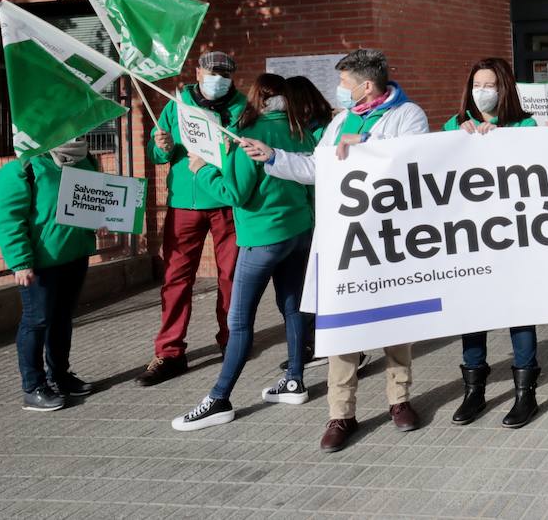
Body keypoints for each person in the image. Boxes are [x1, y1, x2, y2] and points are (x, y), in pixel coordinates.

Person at [239, 49, 427, 453]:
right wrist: (273, 155)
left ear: (367, 85)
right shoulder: (341, 120)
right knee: (343, 324)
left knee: (395, 323)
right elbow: (316, 166)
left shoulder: (408, 115)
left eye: (344, 83)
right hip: (344, 239)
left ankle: (399, 401)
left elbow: (413, 162)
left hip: (390, 238)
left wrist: (366, 145)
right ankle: (341, 413)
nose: (339, 91)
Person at [171, 74, 318, 430]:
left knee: (239, 322)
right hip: (299, 231)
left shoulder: (248, 134)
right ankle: (294, 380)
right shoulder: (301, 130)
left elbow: (235, 193)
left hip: (262, 237)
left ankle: (219, 398)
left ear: (256, 98)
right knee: (293, 307)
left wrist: (202, 169)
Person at [137, 50, 248, 387]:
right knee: (175, 278)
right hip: (184, 203)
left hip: (226, 200)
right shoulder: (177, 105)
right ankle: (169, 352)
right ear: (198, 72)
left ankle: (232, 341)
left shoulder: (242, 107)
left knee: (231, 276)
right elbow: (160, 156)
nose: (219, 78)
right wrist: (161, 144)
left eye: (226, 73)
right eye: (213, 71)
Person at [443, 57, 542, 429]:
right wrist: (459, 139)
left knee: (519, 312)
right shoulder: (455, 126)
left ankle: (525, 392)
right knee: (473, 312)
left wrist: (500, 137)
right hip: (471, 239)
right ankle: (474, 390)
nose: (482, 92)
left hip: (514, 238)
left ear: (504, 89)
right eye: (476, 85)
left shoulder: (525, 126)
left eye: (490, 86)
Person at [0, 138, 98, 411]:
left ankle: (60, 376)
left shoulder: (86, 160)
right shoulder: (23, 168)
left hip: (75, 255)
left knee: (62, 318)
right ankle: (33, 387)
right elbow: (8, 219)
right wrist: (20, 262)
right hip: (41, 263)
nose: (76, 133)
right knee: (37, 320)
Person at [276, 76, 335, 373]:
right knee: (305, 289)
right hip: (309, 217)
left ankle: (334, 345)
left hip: (324, 218)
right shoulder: (298, 131)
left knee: (319, 288)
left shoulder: (325, 129)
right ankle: (311, 345)